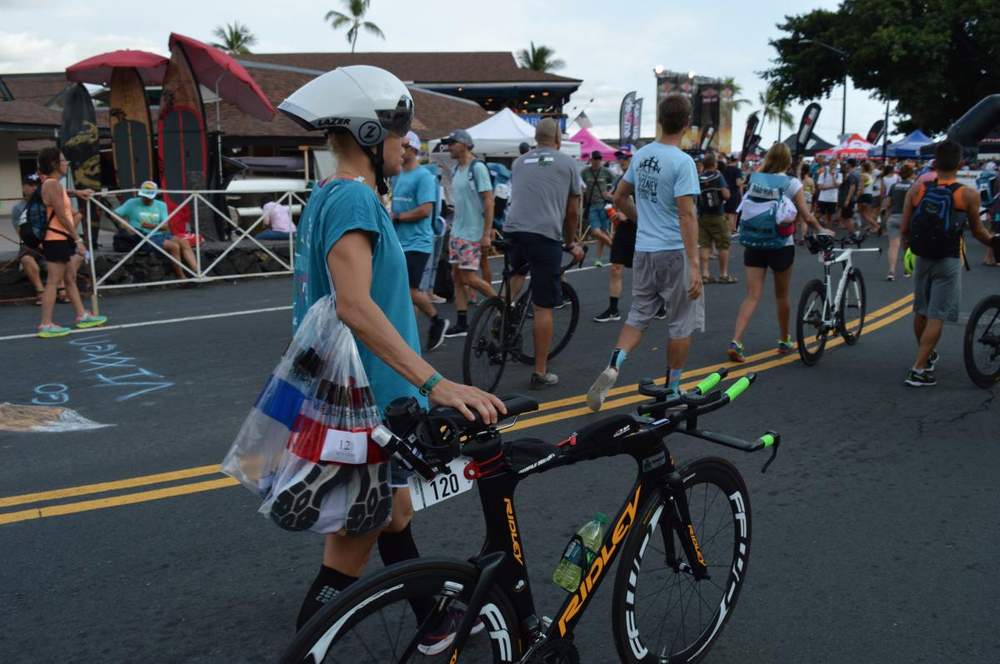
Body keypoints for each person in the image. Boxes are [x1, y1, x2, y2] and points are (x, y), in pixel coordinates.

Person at [278, 66, 504, 650]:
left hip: (363, 400)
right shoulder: (353, 198)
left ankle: (433, 623)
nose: (413, 142)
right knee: (346, 557)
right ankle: (309, 646)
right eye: (403, 131)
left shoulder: (334, 194)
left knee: (395, 514)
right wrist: (438, 385)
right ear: (370, 135)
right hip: (367, 406)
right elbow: (354, 306)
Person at [586, 93, 704, 411]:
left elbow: (620, 196)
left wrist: (641, 219)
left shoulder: (641, 156)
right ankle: (674, 389)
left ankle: (614, 364)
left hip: (645, 250)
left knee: (638, 315)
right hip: (674, 251)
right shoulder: (682, 162)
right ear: (687, 123)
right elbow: (687, 215)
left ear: (660, 120)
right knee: (681, 321)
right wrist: (694, 264)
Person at [900, 139, 998, 387]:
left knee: (921, 310)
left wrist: (907, 252)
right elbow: (977, 231)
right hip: (948, 259)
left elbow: (905, 228)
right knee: (937, 315)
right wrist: (993, 242)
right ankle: (918, 369)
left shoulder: (917, 190)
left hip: (921, 256)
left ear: (935, 161)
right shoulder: (967, 194)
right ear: (959, 163)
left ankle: (926, 355)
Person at [726, 143, 830, 362]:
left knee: (752, 295)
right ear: (787, 161)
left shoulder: (754, 178)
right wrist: (821, 230)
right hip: (780, 244)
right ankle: (784, 340)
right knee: (781, 295)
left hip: (754, 242)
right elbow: (806, 215)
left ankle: (736, 340)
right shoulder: (791, 183)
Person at [500, 119, 584, 388]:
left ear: (536, 138)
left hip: (513, 231)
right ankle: (540, 371)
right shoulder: (568, 163)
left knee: (517, 271)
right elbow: (572, 212)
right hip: (544, 235)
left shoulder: (519, 162)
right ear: (558, 137)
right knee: (543, 305)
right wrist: (571, 243)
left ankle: (504, 313)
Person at [35, 147, 106, 337]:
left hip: (60, 238)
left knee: (70, 278)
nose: (67, 163)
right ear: (54, 164)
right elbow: (62, 216)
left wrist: (77, 192)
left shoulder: (54, 184)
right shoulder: (52, 184)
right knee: (53, 282)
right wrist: (78, 239)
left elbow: (61, 194)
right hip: (56, 238)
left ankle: (82, 315)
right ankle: (46, 324)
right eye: (64, 160)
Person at [391, 130, 450, 351]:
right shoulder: (397, 176)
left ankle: (437, 321)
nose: (400, 149)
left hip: (418, 241)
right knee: (404, 291)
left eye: (405, 145)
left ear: (414, 149)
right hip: (399, 241)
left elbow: (426, 210)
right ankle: (408, 337)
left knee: (410, 290)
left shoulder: (424, 177)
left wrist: (397, 217)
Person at [441, 128, 496, 338]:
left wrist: (486, 233)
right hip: (457, 231)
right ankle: (462, 321)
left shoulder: (478, 167)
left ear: (464, 143)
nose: (449, 147)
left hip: (472, 232)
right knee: (456, 276)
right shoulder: (457, 169)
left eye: (452, 143)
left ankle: (504, 307)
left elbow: (489, 201)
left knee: (469, 278)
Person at [113, 181, 199, 280]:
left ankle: (197, 272)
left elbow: (165, 227)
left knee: (184, 242)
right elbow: (114, 214)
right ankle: (181, 278)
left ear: (155, 196)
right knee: (174, 246)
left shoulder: (161, 205)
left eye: (149, 197)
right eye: (144, 196)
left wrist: (150, 226)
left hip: (160, 233)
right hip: (143, 237)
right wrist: (123, 224)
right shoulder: (132, 202)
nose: (146, 199)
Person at [594, 149, 636, 323]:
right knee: (615, 268)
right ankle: (613, 310)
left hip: (640, 227)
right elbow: (620, 199)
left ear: (632, 158)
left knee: (646, 270)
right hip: (623, 229)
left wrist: (628, 214)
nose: (621, 161)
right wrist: (613, 204)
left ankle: (660, 304)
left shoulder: (642, 177)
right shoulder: (621, 178)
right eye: (619, 158)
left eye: (624, 158)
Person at [697, 152, 735, 283]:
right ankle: (723, 274)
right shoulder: (718, 175)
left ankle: (705, 274)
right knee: (723, 244)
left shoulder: (699, 177)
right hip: (717, 214)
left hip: (702, 215)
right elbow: (726, 195)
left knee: (704, 244)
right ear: (715, 164)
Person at [11, 173, 45, 303]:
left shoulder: (46, 202)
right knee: (26, 259)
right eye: (30, 185)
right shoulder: (17, 208)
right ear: (23, 187)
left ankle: (62, 290)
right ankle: (40, 291)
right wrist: (36, 242)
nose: (34, 188)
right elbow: (19, 231)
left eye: (37, 185)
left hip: (49, 240)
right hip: (30, 243)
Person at [581, 150, 615, 267]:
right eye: (595, 159)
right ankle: (615, 249)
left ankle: (598, 259)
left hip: (604, 205)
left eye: (599, 159)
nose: (597, 161)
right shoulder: (585, 172)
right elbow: (579, 182)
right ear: (591, 160)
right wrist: (582, 190)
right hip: (591, 206)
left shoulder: (606, 172)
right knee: (596, 232)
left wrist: (610, 193)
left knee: (603, 232)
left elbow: (617, 182)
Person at [884, 163, 915, 280]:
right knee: (908, 245)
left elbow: (888, 204)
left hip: (894, 216)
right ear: (911, 174)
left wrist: (886, 217)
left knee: (893, 245)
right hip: (908, 217)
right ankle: (907, 269)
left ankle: (891, 271)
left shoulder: (894, 186)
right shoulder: (914, 186)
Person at [815, 157, 841, 229]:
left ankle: (827, 233)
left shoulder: (839, 175)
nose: (833, 165)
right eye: (832, 163)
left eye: (835, 163)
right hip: (823, 198)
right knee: (818, 215)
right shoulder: (823, 174)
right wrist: (833, 186)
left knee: (830, 217)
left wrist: (833, 177)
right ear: (829, 164)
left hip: (833, 199)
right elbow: (820, 187)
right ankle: (816, 230)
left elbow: (837, 186)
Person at [722, 154, 744, 236]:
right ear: (737, 160)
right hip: (734, 194)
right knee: (732, 213)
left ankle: (728, 229)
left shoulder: (724, 169)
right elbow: (738, 183)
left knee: (725, 213)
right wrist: (744, 181)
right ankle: (731, 231)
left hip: (725, 193)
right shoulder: (737, 170)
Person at [857, 161, 880, 233]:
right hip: (870, 195)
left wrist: (857, 196)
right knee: (867, 213)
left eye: (861, 167)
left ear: (863, 167)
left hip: (864, 196)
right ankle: (874, 226)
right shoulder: (869, 175)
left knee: (863, 213)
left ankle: (876, 226)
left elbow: (861, 188)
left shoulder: (863, 175)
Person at [838, 158, 860, 232]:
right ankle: (852, 233)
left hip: (848, 198)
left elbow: (852, 187)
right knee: (846, 217)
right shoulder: (856, 173)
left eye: (846, 164)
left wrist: (847, 200)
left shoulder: (852, 174)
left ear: (850, 164)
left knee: (848, 217)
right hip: (850, 197)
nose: (846, 165)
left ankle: (852, 234)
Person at [798, 161, 817, 242]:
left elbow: (798, 171)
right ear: (809, 171)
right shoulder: (810, 180)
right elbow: (813, 191)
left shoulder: (799, 179)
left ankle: (799, 237)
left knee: (799, 220)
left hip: (799, 199)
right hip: (808, 200)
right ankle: (804, 237)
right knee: (805, 219)